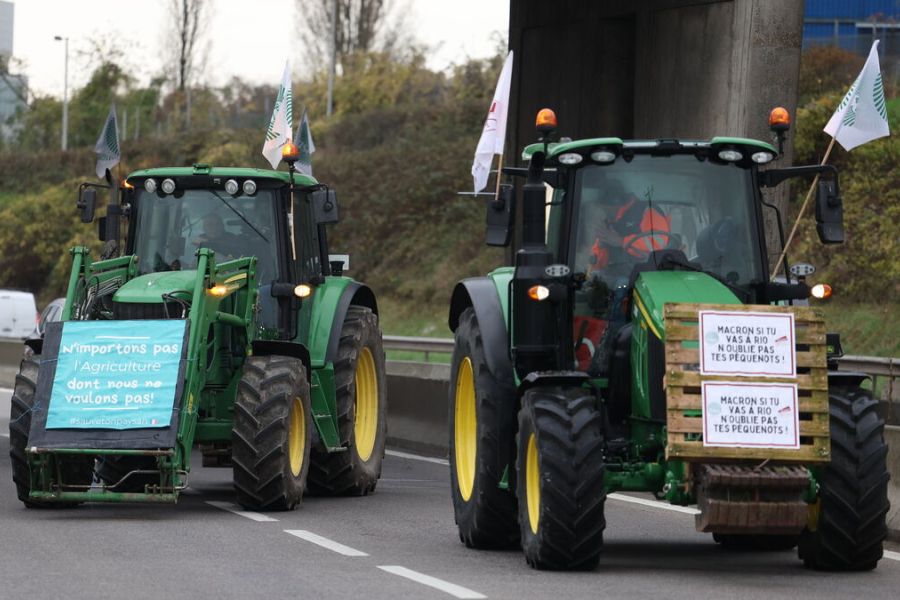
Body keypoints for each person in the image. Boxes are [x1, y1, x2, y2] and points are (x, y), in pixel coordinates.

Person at [574, 182, 671, 375]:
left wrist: (620, 241)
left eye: (605, 207)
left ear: (615, 202)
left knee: (620, 287)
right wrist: (592, 263)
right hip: (616, 274)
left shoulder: (647, 211)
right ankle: (587, 349)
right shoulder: (614, 222)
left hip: (646, 276)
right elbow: (600, 259)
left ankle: (614, 346)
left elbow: (659, 243)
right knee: (589, 285)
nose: (604, 211)